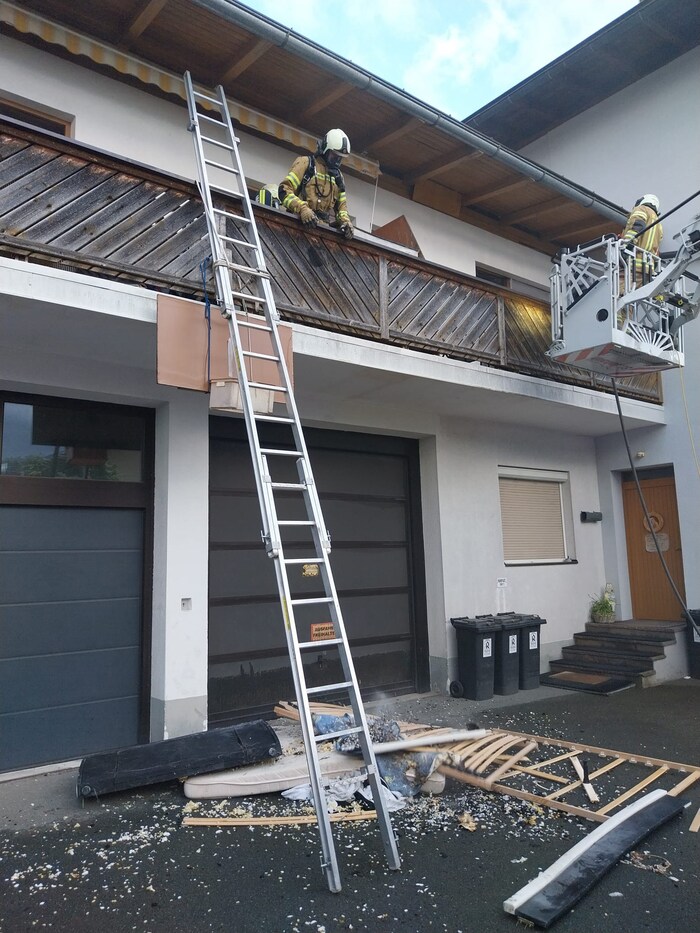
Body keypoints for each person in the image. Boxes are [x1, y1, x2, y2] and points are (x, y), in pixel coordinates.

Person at [278, 129, 354, 239]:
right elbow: (284, 191)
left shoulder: (338, 178)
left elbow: (342, 208)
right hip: (295, 229)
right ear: (325, 150)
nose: (337, 161)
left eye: (340, 158)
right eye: (334, 156)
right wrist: (302, 209)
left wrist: (346, 223)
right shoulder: (305, 164)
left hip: (321, 235)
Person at [620, 193, 663, 287]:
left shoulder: (642, 209)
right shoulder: (658, 224)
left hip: (632, 263)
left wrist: (626, 246)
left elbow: (637, 225)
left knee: (619, 294)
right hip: (647, 269)